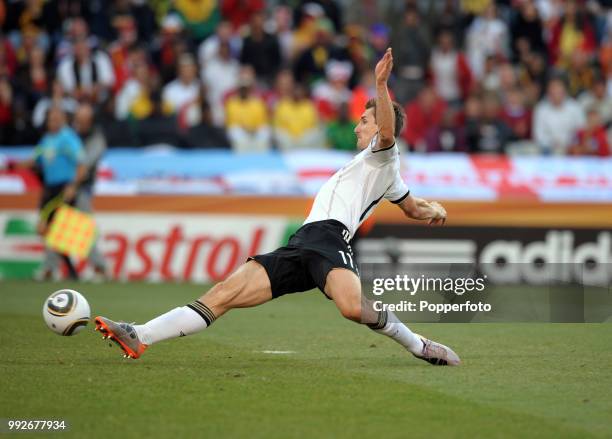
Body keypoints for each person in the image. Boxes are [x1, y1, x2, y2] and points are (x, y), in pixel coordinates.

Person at [94, 49, 460, 366]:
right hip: (303, 243)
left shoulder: (384, 156)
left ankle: (418, 344)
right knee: (223, 293)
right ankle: (140, 334)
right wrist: (434, 210)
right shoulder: (380, 170)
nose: (356, 127)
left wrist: (380, 85)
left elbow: (386, 135)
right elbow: (411, 207)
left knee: (352, 308)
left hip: (330, 239)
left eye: (363, 120)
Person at [14, 106, 85, 280]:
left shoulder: (68, 138)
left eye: (56, 118)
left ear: (63, 120)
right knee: (48, 231)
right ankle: (66, 270)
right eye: (50, 119)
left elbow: (82, 164)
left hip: (63, 188)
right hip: (49, 189)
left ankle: (57, 269)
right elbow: (34, 159)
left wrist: (73, 186)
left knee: (55, 230)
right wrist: (11, 165)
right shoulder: (47, 139)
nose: (52, 122)